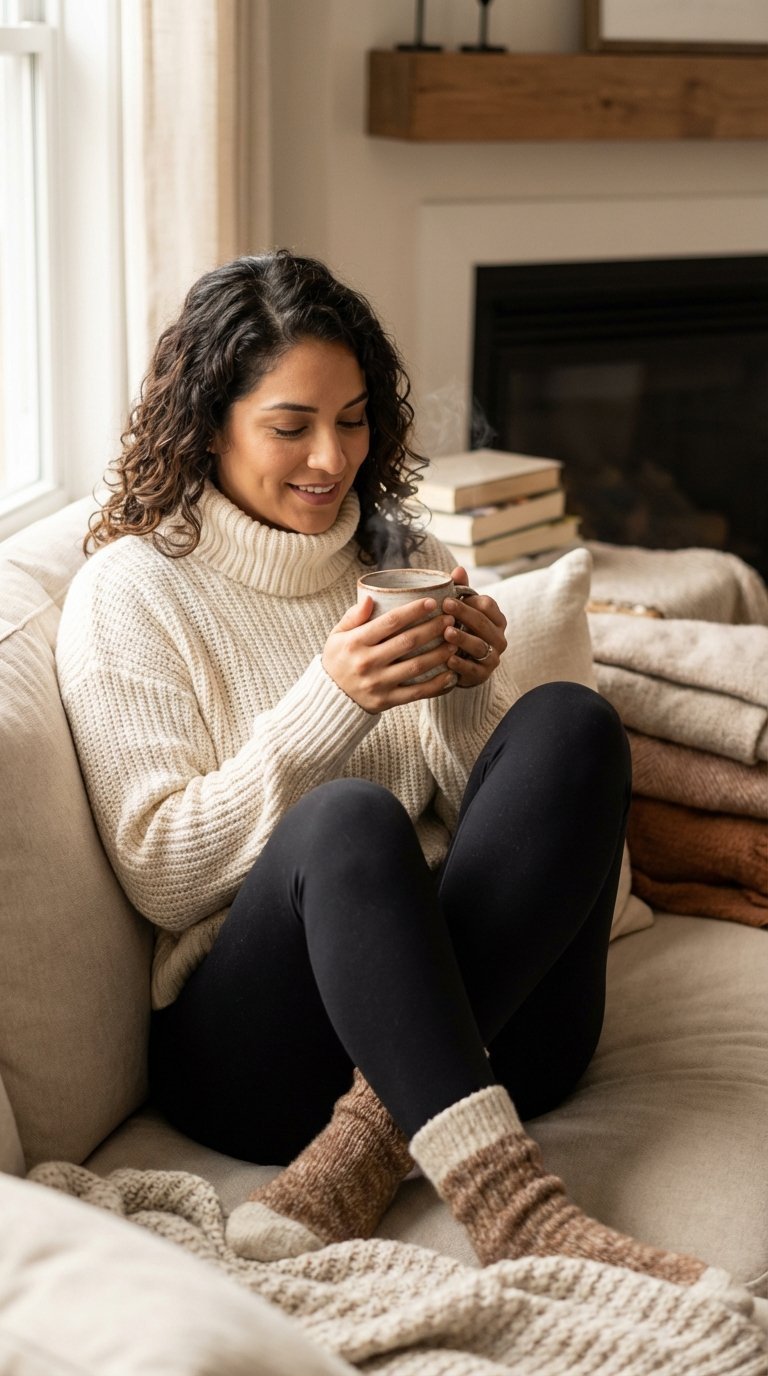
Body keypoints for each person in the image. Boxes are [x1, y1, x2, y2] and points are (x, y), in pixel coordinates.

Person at [56, 250, 705, 1284]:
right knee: (347, 817)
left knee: (571, 724)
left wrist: (461, 686)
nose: (331, 457)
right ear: (209, 421)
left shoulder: (390, 556)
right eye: (290, 425)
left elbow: (488, 821)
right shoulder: (131, 592)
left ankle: (365, 1145)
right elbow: (162, 871)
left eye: (354, 419)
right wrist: (334, 700)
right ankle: (514, 1203)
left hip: (479, 1034)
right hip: (262, 1059)